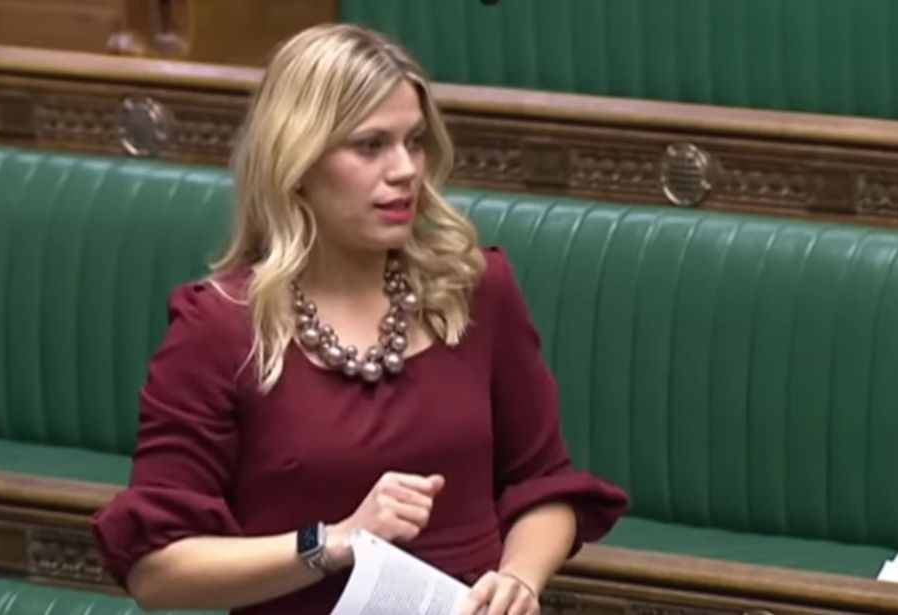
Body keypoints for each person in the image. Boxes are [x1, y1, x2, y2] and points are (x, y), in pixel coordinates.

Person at [92, 23, 628, 615]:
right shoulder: (221, 327)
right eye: (370, 146)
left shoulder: (473, 289)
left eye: (415, 141)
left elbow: (544, 487)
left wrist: (519, 580)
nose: (405, 170)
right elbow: (158, 572)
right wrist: (337, 541)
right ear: (296, 160)